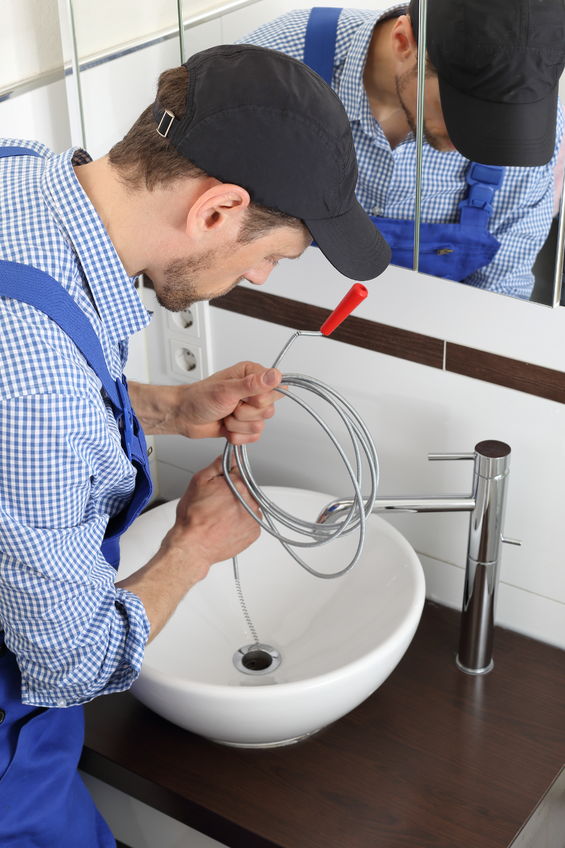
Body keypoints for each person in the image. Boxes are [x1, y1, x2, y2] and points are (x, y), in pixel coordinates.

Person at [0, 44, 390, 847]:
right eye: (270, 255)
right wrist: (193, 548)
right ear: (216, 209)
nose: (260, 278)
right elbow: (70, 665)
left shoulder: (23, 173)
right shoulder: (36, 386)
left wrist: (170, 409)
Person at [238, 0, 565, 300]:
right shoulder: (273, 64)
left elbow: (503, 290)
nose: (474, 142)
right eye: (460, 113)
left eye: (500, 122)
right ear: (404, 41)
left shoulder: (533, 131)